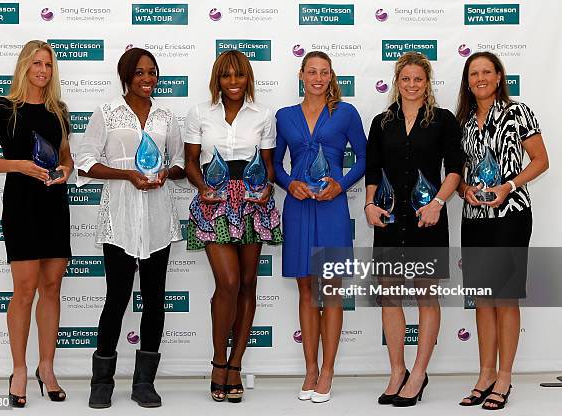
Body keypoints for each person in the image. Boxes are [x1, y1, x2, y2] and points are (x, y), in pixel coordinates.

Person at [75, 47, 185, 408]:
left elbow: (181, 161)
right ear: (126, 76)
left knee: (155, 302)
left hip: (157, 219)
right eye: (139, 73)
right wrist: (127, 175)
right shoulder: (106, 113)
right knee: (117, 299)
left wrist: (167, 172)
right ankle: (101, 384)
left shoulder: (167, 116)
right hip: (119, 220)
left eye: (152, 72)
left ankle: (144, 384)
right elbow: (86, 162)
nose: (147, 79)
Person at [0, 40, 72, 407]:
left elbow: (67, 158)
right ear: (24, 67)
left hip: (53, 204)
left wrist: (64, 171)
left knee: (52, 287)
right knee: (25, 290)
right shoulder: (3, 109)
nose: (43, 71)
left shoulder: (58, 110)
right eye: (36, 64)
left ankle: (46, 369)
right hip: (21, 205)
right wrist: (17, 165)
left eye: (48, 65)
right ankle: (19, 369)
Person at [364, 51, 463, 407]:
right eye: (405, 79)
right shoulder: (381, 122)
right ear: (397, 82)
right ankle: (397, 371)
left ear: (427, 82)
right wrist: (369, 204)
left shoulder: (444, 121)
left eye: (418, 79)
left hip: (427, 219)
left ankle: (418, 374)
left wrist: (437, 204)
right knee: (388, 295)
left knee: (425, 296)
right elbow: (372, 169)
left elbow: (454, 169)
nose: (411, 85)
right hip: (389, 221)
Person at [184, 50, 282, 403]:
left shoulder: (263, 115)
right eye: (226, 76)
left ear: (248, 78)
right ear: (217, 80)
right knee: (226, 282)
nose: (234, 82)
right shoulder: (199, 113)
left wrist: (266, 186)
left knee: (247, 283)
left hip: (253, 201)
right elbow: (191, 161)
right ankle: (217, 361)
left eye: (239, 75)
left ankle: (236, 364)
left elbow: (269, 164)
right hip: (215, 202)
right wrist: (203, 188)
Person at [456, 51, 548, 410]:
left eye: (486, 72)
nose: (480, 78)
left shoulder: (517, 111)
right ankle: (485, 374)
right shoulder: (463, 121)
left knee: (505, 297)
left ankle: (505, 378)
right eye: (473, 73)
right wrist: (465, 192)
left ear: (498, 76)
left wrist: (508, 186)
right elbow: (461, 173)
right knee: (482, 297)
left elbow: (541, 160)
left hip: (511, 215)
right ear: (468, 81)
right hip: (473, 218)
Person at [274, 50, 367, 403]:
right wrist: (288, 183)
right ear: (301, 74)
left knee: (330, 291)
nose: (317, 77)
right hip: (298, 207)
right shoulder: (284, 116)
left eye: (323, 72)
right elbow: (275, 165)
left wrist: (341, 185)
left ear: (331, 76)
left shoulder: (345, 112)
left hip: (332, 206)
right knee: (306, 291)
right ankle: (310, 368)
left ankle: (328, 370)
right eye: (311, 71)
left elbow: (364, 157)